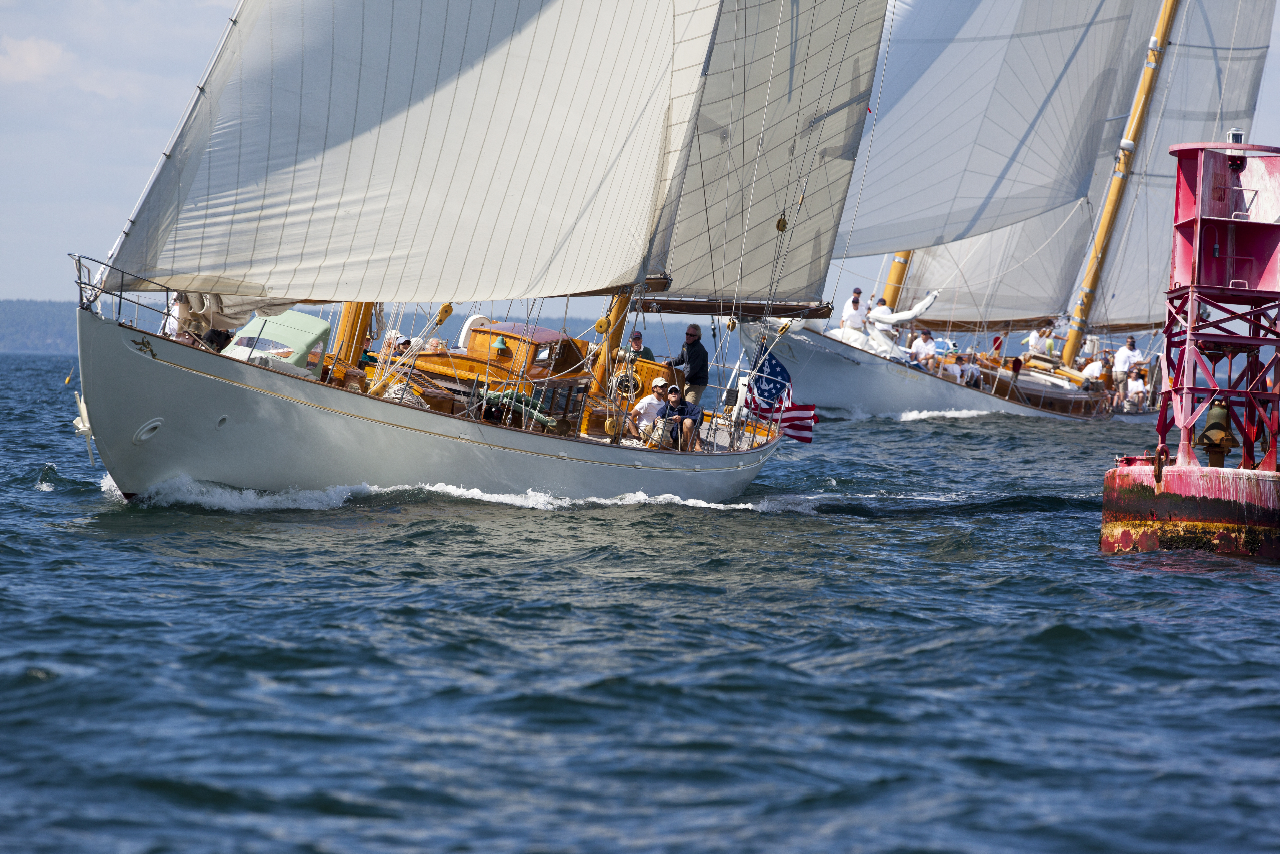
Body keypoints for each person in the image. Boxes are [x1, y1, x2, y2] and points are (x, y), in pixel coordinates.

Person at [665, 324, 709, 406]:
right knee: (679, 404)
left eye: (691, 335)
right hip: (687, 381)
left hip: (696, 384)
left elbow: (691, 369)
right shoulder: (685, 345)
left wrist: (679, 380)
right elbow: (681, 359)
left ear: (697, 337)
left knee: (689, 406)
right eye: (687, 334)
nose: (688, 337)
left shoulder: (698, 350)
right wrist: (669, 363)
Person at [656, 384, 703, 451]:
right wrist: (657, 420)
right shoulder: (663, 409)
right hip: (669, 442)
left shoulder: (688, 406)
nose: (673, 393)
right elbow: (658, 417)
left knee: (688, 422)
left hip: (684, 441)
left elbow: (700, 416)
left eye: (676, 391)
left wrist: (682, 418)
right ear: (668, 396)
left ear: (680, 395)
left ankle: (691, 451)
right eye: (671, 392)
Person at [625, 377, 668, 441]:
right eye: (661, 386)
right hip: (645, 433)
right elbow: (630, 416)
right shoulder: (647, 400)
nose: (664, 388)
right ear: (654, 388)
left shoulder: (663, 403)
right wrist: (635, 435)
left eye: (665, 386)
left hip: (657, 433)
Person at [1112, 336, 1144, 407]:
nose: (1129, 343)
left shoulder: (1137, 352)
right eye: (1127, 342)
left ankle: (1122, 406)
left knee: (1121, 390)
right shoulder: (1122, 349)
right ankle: (1117, 406)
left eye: (1130, 342)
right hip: (1119, 371)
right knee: (1119, 391)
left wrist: (1135, 369)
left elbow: (1138, 362)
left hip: (1128, 371)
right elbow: (1115, 357)